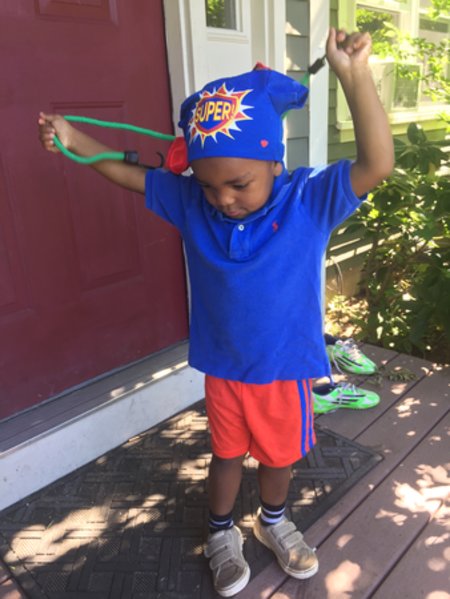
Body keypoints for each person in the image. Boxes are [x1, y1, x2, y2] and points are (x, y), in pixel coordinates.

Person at [38, 27, 394, 598]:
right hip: (224, 370)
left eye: (238, 184)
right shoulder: (194, 206)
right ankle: (220, 532)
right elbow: (131, 176)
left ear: (274, 163)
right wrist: (76, 140)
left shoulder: (308, 202)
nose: (223, 198)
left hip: (284, 371)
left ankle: (273, 520)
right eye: (208, 186)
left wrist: (354, 76)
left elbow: (377, 163)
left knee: (279, 458)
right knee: (225, 457)